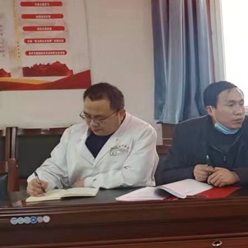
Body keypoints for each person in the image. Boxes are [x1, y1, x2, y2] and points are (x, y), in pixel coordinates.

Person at [26, 83, 157, 196]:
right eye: (87, 116)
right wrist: (40, 181)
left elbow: (135, 177)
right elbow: (54, 167)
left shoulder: (142, 132)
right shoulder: (73, 133)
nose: (93, 123)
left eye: (101, 118)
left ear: (121, 114)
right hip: (79, 203)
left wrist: (87, 183)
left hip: (126, 203)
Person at [156, 81, 248, 187]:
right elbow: (165, 175)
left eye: (241, 104)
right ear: (210, 110)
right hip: (203, 203)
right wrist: (192, 172)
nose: (239, 111)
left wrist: (236, 175)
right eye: (231, 105)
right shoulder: (187, 131)